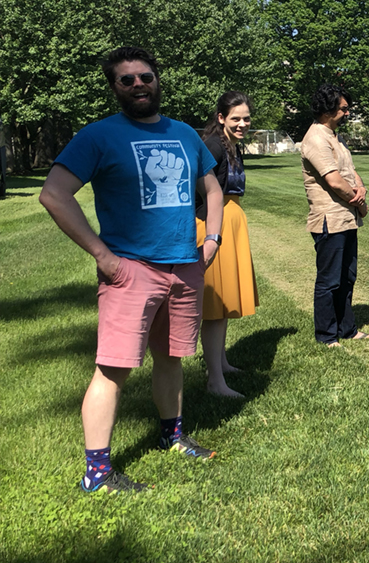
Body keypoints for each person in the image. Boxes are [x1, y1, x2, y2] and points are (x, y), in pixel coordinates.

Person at [39, 46, 223, 494]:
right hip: (131, 270)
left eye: (145, 76)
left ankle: (171, 435)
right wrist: (103, 257)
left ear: (158, 79)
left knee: (171, 358)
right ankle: (97, 474)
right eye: (127, 80)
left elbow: (212, 189)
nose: (138, 85)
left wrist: (212, 239)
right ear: (115, 88)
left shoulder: (184, 133)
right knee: (113, 368)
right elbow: (54, 194)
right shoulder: (98, 136)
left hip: (184, 267)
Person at [195, 91, 259, 397]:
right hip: (213, 227)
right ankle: (215, 381)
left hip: (227, 225)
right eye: (236, 118)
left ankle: (220, 362)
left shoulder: (230, 145)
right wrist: (212, 231)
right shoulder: (212, 146)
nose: (243, 123)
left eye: (246, 118)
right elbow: (200, 190)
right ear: (221, 118)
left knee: (222, 305)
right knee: (215, 307)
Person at [300, 83, 369, 344]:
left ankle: (347, 329)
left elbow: (349, 171)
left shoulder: (334, 136)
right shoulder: (316, 138)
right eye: (344, 109)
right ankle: (326, 336)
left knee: (347, 277)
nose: (347, 113)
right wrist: (358, 201)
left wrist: (361, 187)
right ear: (328, 109)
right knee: (329, 281)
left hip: (346, 218)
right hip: (329, 220)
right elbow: (333, 180)